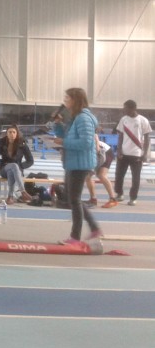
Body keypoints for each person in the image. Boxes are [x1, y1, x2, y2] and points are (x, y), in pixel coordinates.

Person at [52, 88, 103, 244]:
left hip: (80, 164)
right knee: (73, 198)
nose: (65, 101)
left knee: (74, 200)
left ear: (75, 100)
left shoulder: (83, 118)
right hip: (72, 163)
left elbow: (87, 143)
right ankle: (94, 228)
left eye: (67, 98)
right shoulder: (75, 118)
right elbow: (65, 135)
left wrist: (64, 143)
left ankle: (75, 237)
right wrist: (57, 124)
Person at [113, 99, 151, 206]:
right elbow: (120, 136)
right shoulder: (123, 119)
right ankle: (119, 194)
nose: (123, 110)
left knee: (136, 178)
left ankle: (133, 198)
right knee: (119, 175)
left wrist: (144, 154)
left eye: (125, 108)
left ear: (133, 108)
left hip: (137, 154)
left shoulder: (143, 120)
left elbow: (147, 138)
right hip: (123, 153)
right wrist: (119, 150)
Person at [0, 125, 34, 204]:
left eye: (14, 132)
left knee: (13, 170)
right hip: (4, 169)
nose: (12, 134)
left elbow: (30, 160)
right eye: (10, 132)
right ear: (6, 133)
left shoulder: (22, 144)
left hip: (17, 171)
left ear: (17, 133)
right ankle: (23, 192)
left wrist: (20, 166)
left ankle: (10, 197)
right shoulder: (1, 142)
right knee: (13, 166)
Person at [86, 137, 116, 208]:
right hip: (95, 153)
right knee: (87, 176)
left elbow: (95, 136)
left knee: (101, 175)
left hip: (104, 152)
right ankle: (93, 199)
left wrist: (97, 148)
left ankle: (113, 199)